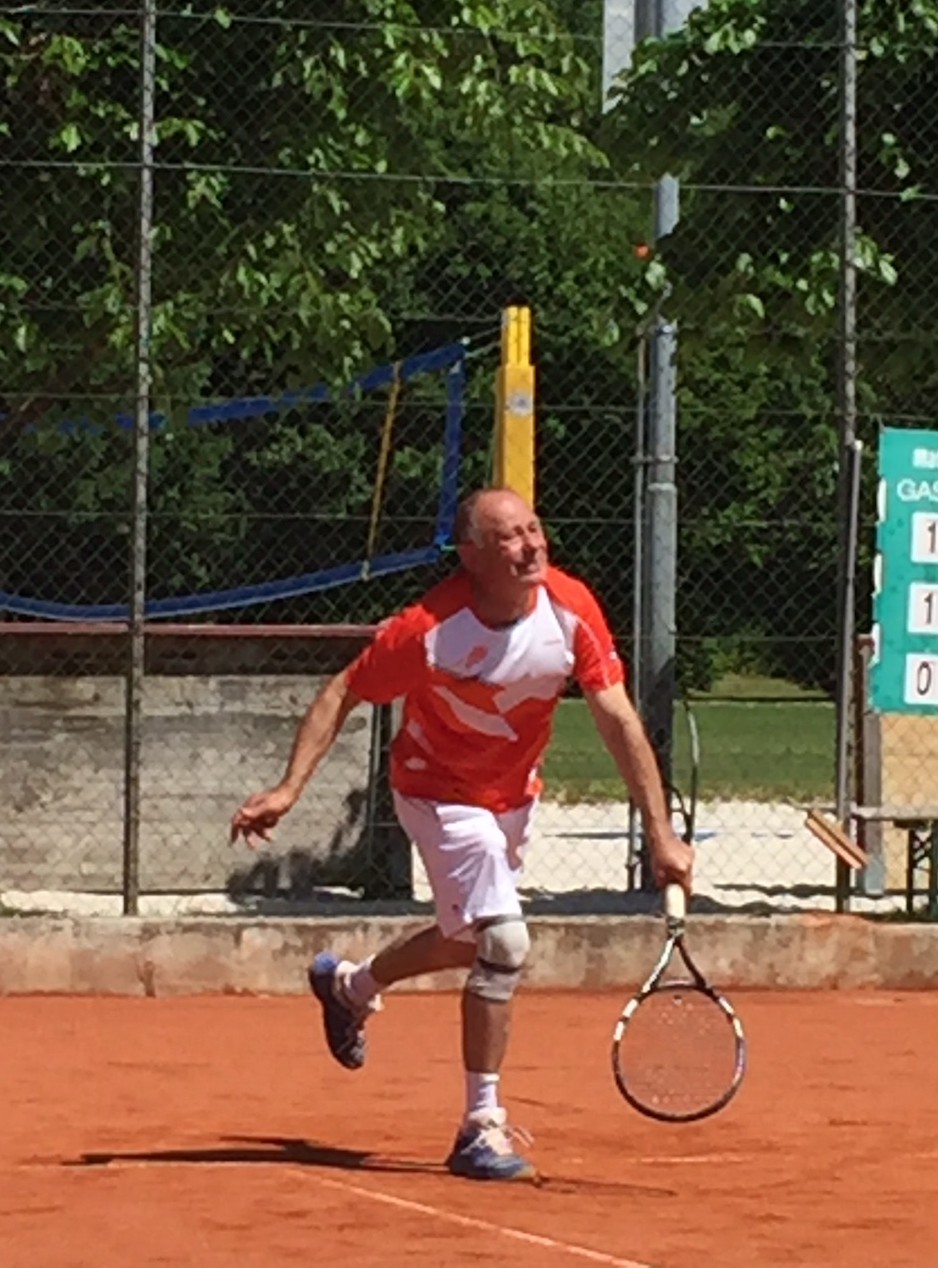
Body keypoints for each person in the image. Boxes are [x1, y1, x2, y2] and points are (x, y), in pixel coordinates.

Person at [229, 487, 693, 1182]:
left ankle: (350, 986)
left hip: (512, 796)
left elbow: (618, 720)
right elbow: (343, 689)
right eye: (509, 537)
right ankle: (481, 1126)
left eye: (534, 528)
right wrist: (289, 788)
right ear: (472, 555)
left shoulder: (570, 608)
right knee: (504, 943)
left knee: (467, 937)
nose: (531, 545)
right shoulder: (429, 629)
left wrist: (661, 834)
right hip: (436, 791)